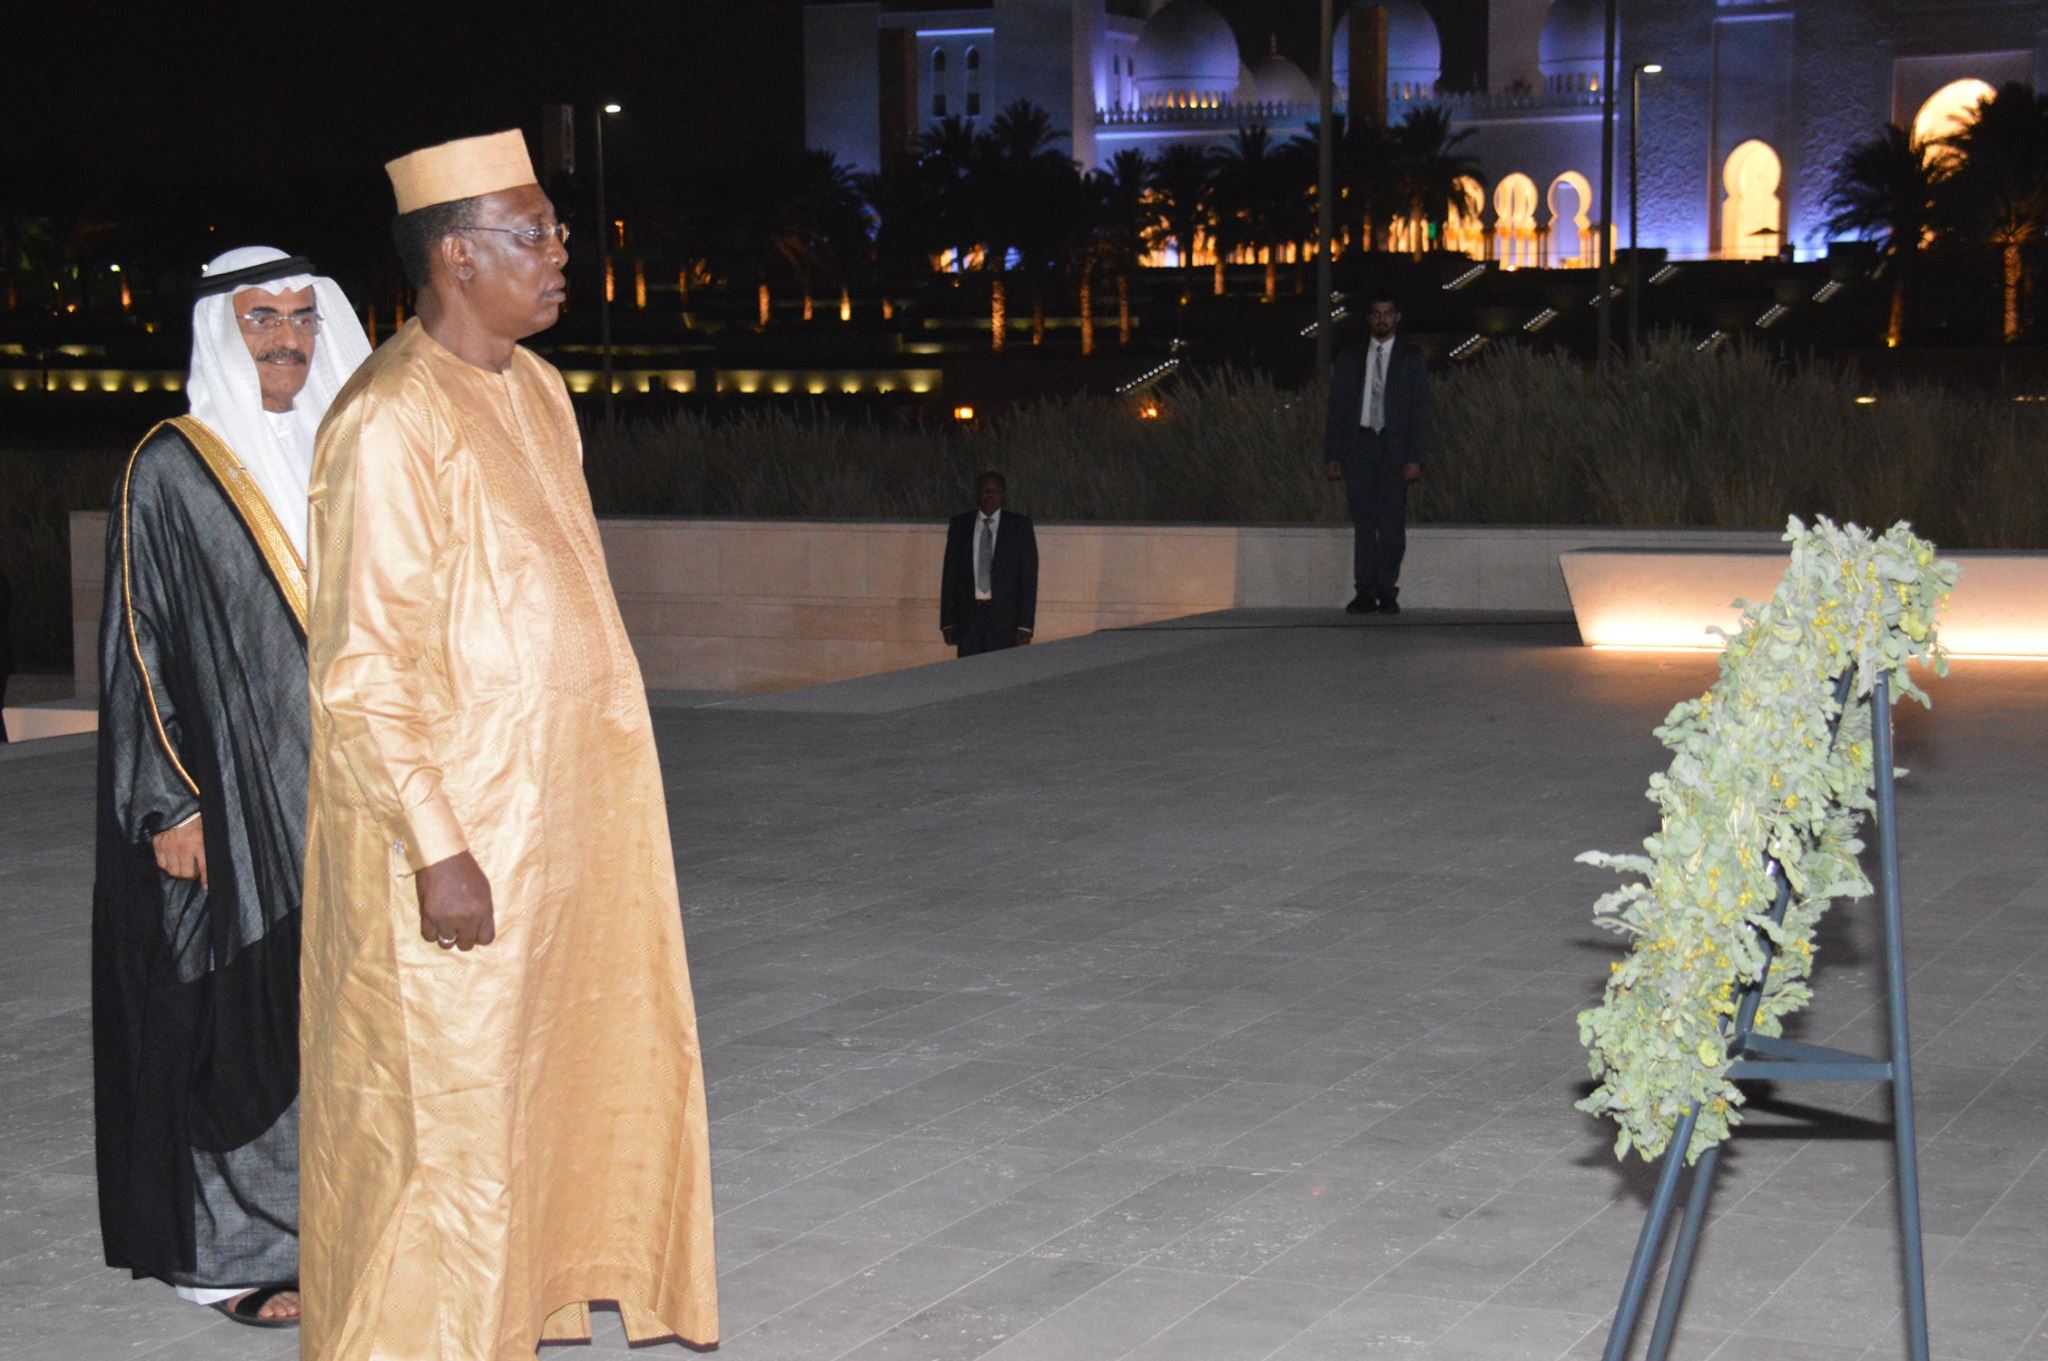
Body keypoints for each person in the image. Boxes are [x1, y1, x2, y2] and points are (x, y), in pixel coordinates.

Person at [300, 129, 717, 1360]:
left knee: (563, 1085)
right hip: (464, 833)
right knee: (457, 1116)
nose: (560, 256)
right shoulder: (385, 421)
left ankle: (526, 1304)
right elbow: (360, 672)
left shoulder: (535, 390)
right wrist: (439, 847)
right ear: (453, 254)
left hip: (569, 822)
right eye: (534, 235)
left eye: (560, 233)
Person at [92, 247, 370, 1329]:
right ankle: (226, 1255)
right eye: (263, 320)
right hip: (221, 808)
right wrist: (168, 800)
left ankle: (330, 1227)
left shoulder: (345, 449)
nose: (288, 340)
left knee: (328, 1025)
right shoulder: (171, 463)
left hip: (337, 796)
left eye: (304, 318)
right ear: (223, 330)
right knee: (225, 1026)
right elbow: (135, 635)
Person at [1323, 292, 1432, 615]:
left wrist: (1415, 457)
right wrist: (1333, 455)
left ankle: (1387, 590)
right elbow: (1337, 410)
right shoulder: (1350, 358)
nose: (1382, 319)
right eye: (1376, 313)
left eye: (1388, 313)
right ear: (1369, 318)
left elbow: (1419, 412)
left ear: (1397, 317)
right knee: (1365, 524)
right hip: (1359, 446)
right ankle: (1364, 592)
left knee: (1392, 524)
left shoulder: (1411, 359)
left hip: (1394, 449)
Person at [940, 470, 1039, 656]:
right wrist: (948, 622)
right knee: (968, 674)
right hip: (969, 617)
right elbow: (950, 575)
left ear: (1003, 495)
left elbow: (1028, 578)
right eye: (984, 490)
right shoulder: (960, 525)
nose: (989, 494)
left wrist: (1025, 625)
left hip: (1004, 619)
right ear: (977, 493)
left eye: (994, 490)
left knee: (1002, 673)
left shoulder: (1019, 526)